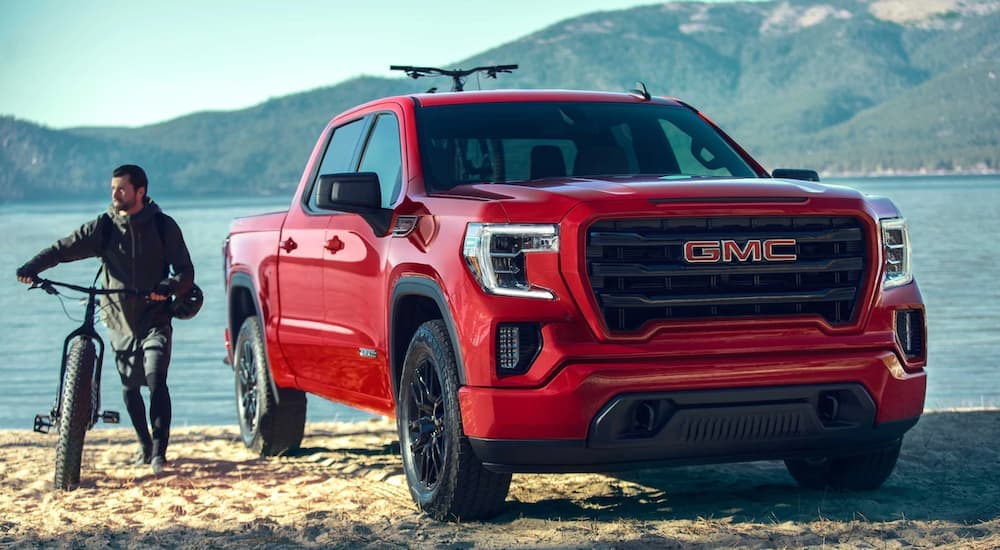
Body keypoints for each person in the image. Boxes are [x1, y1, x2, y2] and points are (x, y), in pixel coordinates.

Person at [16, 164, 194, 475]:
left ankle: (159, 453)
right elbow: (63, 249)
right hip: (119, 318)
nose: (114, 194)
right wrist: (32, 267)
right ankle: (143, 443)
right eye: (112, 188)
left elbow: (185, 272)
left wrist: (167, 287)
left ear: (140, 192)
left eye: (121, 189)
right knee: (129, 389)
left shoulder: (164, 226)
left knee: (155, 380)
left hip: (155, 317)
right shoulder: (105, 228)